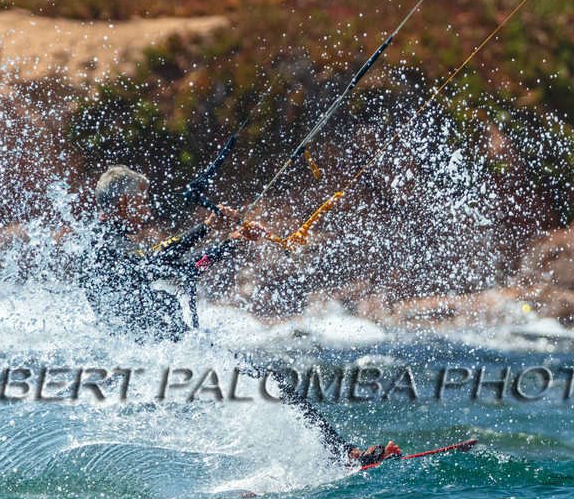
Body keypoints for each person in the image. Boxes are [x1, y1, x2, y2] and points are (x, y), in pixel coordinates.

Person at [84, 165, 398, 467]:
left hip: (173, 355)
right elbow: (156, 261)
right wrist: (208, 229)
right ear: (124, 203)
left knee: (267, 388)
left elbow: (185, 269)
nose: (147, 210)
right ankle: (344, 456)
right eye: (141, 201)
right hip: (165, 360)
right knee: (269, 385)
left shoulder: (112, 244)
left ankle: (331, 457)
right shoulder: (106, 245)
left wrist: (228, 241)